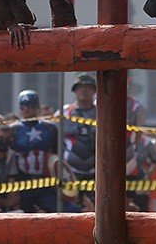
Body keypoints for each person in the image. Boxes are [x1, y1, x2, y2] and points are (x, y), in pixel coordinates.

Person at [12, 90, 79, 213]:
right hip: (22, 182)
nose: (26, 109)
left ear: (37, 107)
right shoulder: (14, 129)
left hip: (46, 182)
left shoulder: (49, 128)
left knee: (71, 211)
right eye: (23, 105)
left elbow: (57, 154)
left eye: (30, 105)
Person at [59, 73, 97, 209]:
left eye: (88, 87)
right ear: (75, 91)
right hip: (71, 172)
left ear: (94, 91)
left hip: (96, 171)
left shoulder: (102, 112)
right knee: (71, 208)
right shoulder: (64, 113)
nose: (84, 91)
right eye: (80, 87)